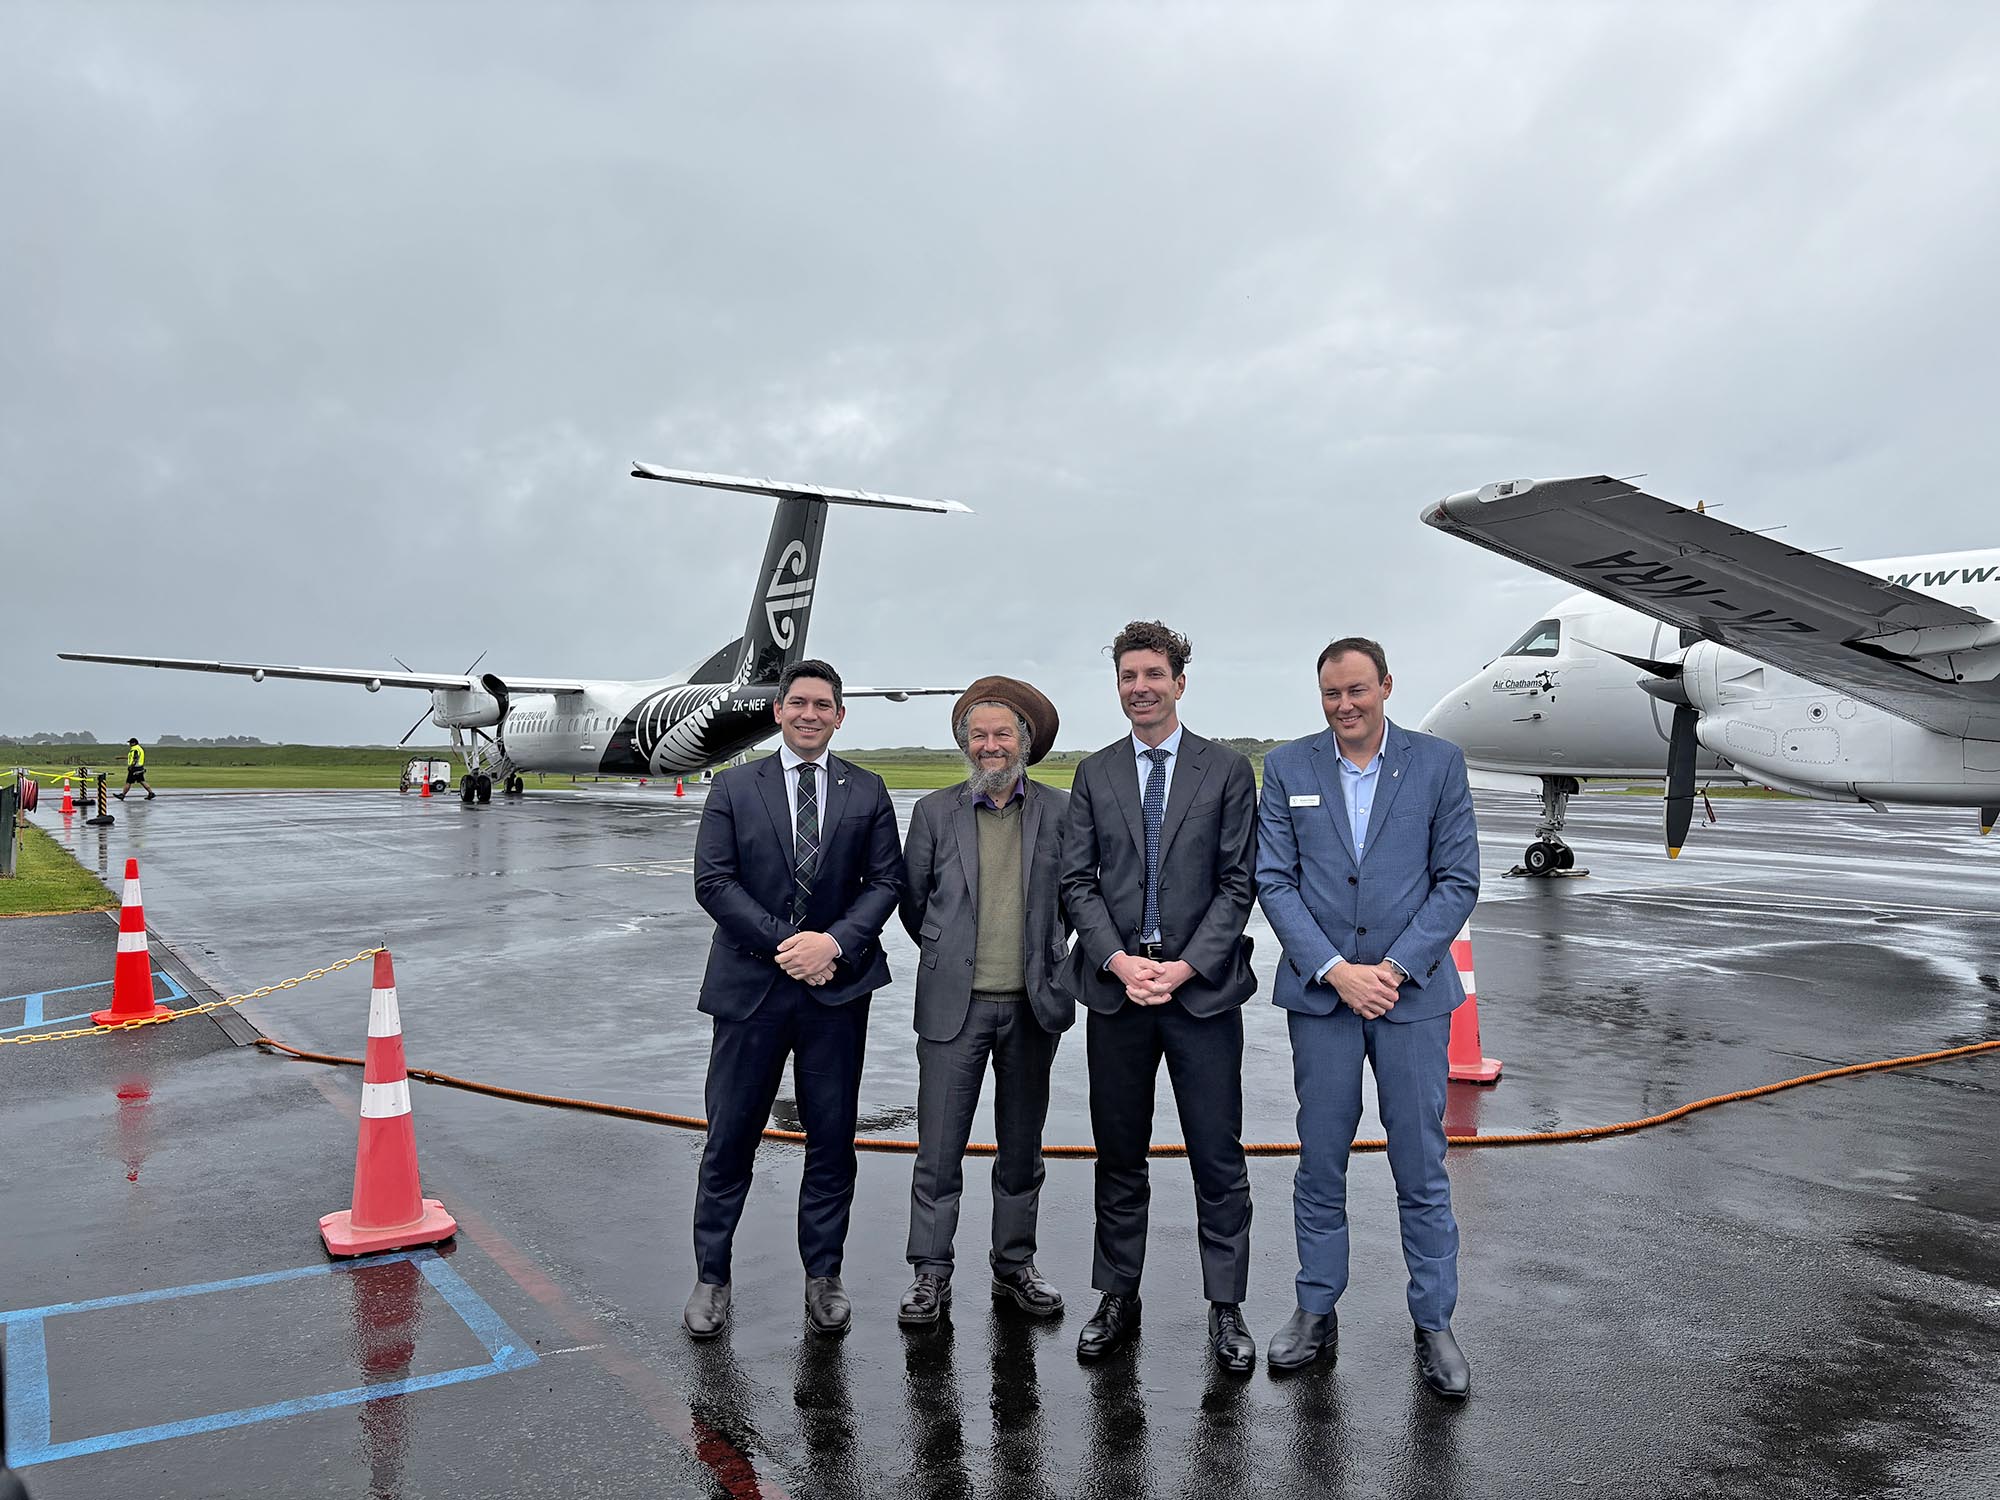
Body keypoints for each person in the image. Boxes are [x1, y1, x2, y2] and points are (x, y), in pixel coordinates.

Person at [1254, 637, 1480, 1397]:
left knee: (1420, 1163)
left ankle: (1434, 1321)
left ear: (1386, 685)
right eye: (1331, 693)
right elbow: (1274, 881)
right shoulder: (1289, 767)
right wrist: (1335, 971)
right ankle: (1315, 1308)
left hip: (1409, 997)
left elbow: (1457, 880)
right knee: (1320, 1159)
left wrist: (1392, 969)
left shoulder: (1438, 764)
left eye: (1357, 690)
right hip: (1323, 996)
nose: (1344, 705)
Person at [1059, 621, 1260, 1371]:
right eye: (1127, 676)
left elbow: (1238, 883)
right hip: (1119, 994)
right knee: (1119, 1153)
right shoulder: (1095, 773)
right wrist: (1116, 960)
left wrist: (1184, 967)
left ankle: (1226, 1305)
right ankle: (1117, 1294)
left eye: (1152, 674)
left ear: (1179, 681)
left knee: (1217, 1155)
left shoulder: (1226, 771)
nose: (1139, 687)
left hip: (1200, 995)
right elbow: (1077, 882)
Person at [683, 659, 904, 1340]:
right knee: (730, 1138)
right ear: (778, 711)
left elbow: (886, 882)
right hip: (751, 989)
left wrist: (831, 944)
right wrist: (791, 945)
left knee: (832, 1140)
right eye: (799, 703)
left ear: (840, 716)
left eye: (823, 705)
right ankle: (711, 1276)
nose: (810, 715)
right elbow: (714, 882)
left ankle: (824, 1275)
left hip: (836, 992)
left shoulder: (866, 789)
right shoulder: (733, 786)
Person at [897, 676, 1073, 1327]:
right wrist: (953, 953)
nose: (990, 745)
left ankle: (1014, 1264)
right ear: (964, 743)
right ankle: (930, 1272)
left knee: (1021, 1148)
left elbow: (1075, 899)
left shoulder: (1061, 811)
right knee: (938, 1151)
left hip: (1032, 1007)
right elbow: (915, 905)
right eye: (978, 735)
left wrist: (1043, 952)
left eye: (1002, 734)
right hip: (954, 1008)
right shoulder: (933, 812)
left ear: (1024, 742)